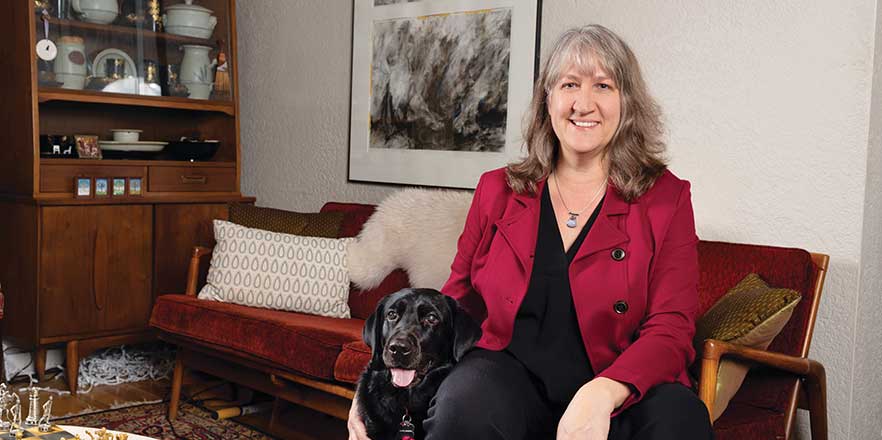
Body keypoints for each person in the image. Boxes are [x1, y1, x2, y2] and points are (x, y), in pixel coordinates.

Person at [348, 24, 713, 440]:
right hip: (507, 375)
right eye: (569, 84)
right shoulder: (497, 190)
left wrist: (604, 393)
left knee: (681, 422)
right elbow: (451, 307)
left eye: (604, 86)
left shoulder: (666, 198)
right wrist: (376, 387)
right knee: (462, 407)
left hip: (621, 384)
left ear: (627, 103)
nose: (583, 103)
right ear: (548, 99)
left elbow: (672, 328)